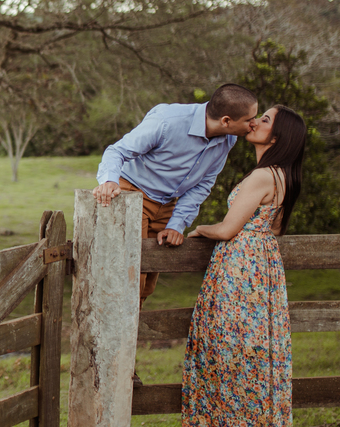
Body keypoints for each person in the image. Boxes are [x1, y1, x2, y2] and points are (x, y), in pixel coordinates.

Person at [180, 104, 307, 427]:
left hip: (240, 267)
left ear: (277, 137)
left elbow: (226, 229)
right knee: (254, 354)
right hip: (263, 265)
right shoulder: (284, 176)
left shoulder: (262, 176)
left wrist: (199, 229)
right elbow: (275, 228)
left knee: (223, 349)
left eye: (264, 120)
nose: (255, 122)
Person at [93, 84, 259, 309]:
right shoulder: (168, 121)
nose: (254, 124)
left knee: (148, 284)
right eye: (250, 119)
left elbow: (203, 184)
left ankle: (130, 329)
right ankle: (111, 330)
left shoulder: (228, 139)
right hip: (132, 195)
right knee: (131, 279)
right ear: (226, 120)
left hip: (167, 204)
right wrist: (109, 181)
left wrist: (176, 224)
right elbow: (117, 151)